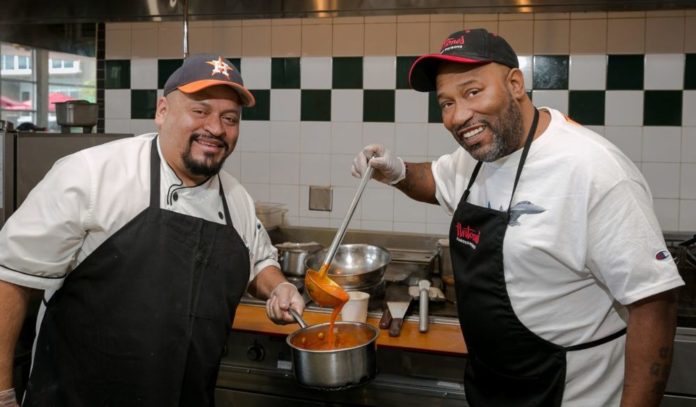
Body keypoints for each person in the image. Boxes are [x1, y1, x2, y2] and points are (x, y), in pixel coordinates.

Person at [352, 29, 684, 406]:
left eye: (472, 92)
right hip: (493, 386)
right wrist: (396, 171)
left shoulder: (593, 170)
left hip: (571, 392)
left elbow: (654, 304)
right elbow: (436, 181)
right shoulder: (479, 157)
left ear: (515, 84)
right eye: (445, 103)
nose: (458, 116)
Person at [0, 54, 304, 406]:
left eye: (229, 118)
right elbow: (11, 279)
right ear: (162, 111)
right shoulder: (92, 175)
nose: (217, 129)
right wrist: (3, 394)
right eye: (200, 111)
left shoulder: (236, 197)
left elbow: (258, 260)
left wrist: (279, 286)